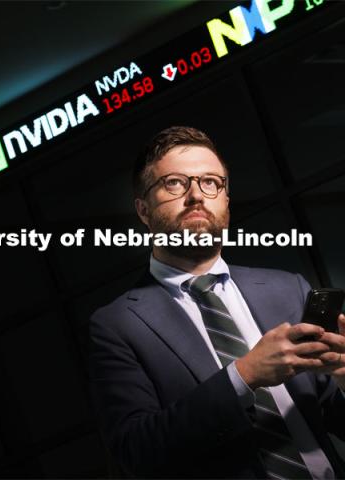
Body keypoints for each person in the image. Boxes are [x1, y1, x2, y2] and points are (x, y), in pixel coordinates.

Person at [88, 126, 345, 479]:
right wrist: (245, 375)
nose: (196, 195)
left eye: (211, 182)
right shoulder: (117, 324)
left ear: (225, 200)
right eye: (175, 183)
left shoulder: (287, 288)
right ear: (143, 210)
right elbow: (137, 452)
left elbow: (334, 414)